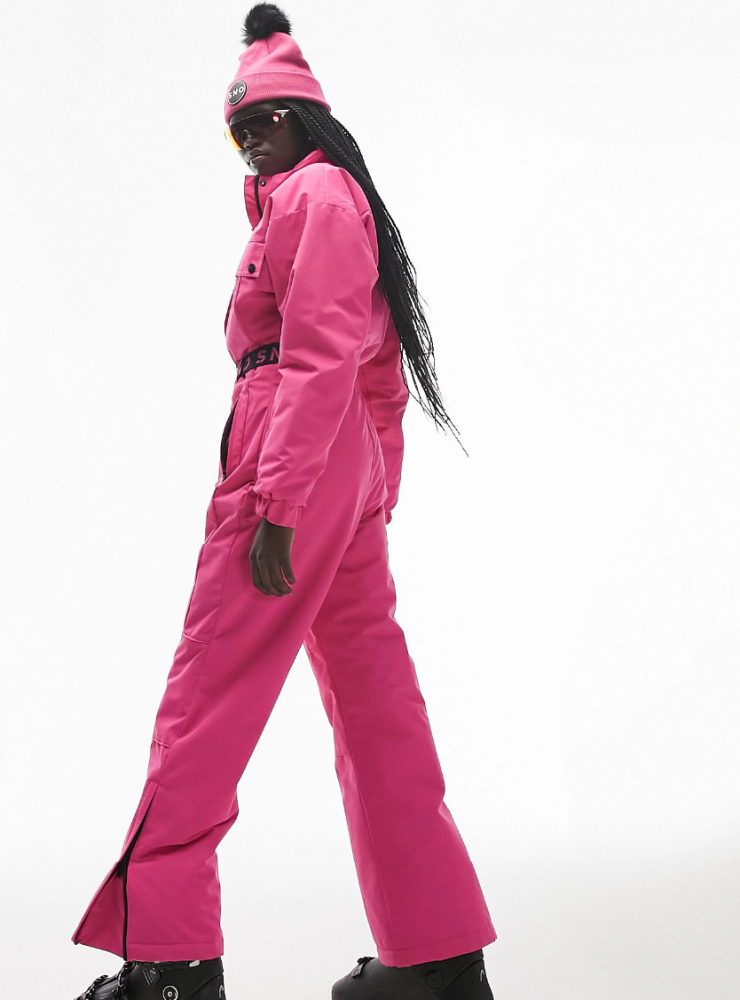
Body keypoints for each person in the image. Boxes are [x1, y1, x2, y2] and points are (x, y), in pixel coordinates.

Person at [70, 5, 497, 999]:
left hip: (292, 459)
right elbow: (376, 368)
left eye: (262, 120)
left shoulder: (313, 199)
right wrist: (369, 496)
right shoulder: (328, 204)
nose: (250, 140)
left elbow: (316, 358)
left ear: (305, 116)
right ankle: (435, 958)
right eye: (237, 130)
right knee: (378, 708)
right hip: (338, 467)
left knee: (206, 700)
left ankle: (169, 965)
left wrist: (283, 502)